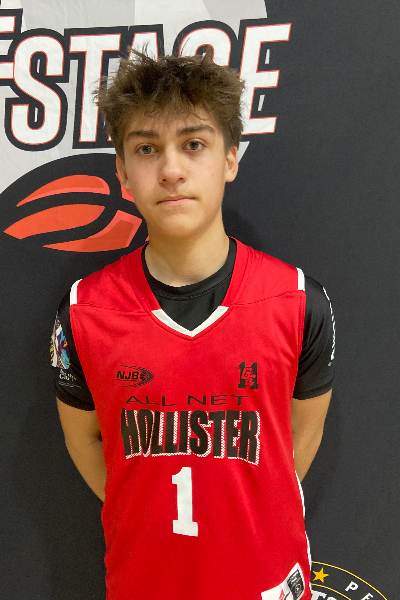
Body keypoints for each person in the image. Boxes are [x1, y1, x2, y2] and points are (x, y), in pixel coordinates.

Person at [51, 47, 335, 600]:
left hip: (266, 582)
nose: (172, 170)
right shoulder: (83, 311)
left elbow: (299, 437)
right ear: (122, 172)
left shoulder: (299, 301)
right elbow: (84, 440)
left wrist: (244, 506)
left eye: (194, 144)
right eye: (147, 149)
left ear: (230, 159)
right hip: (145, 582)